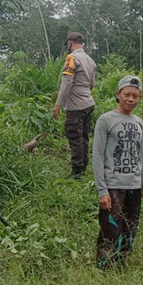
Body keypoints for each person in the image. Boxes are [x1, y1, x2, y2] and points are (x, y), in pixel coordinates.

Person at [92, 75, 143, 269]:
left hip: (134, 186)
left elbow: (142, 155)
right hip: (113, 186)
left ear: (140, 97)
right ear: (118, 94)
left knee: (130, 228)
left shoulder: (139, 122)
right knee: (111, 227)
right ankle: (103, 266)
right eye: (127, 94)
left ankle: (120, 264)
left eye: (135, 96)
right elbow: (97, 157)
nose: (130, 99)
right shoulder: (106, 120)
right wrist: (102, 190)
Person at [53, 31, 97, 179]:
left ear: (70, 43)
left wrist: (58, 104)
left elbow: (66, 83)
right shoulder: (90, 60)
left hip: (75, 106)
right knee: (84, 137)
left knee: (75, 137)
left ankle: (77, 172)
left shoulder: (71, 58)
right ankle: (83, 166)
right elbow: (92, 84)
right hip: (88, 103)